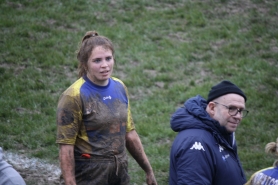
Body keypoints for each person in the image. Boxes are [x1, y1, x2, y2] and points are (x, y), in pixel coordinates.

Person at [56, 30, 157, 185]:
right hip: (89, 174)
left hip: (119, 171)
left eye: (108, 58)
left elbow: (129, 134)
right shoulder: (73, 96)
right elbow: (66, 148)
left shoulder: (120, 87)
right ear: (85, 64)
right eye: (97, 60)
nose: (104, 65)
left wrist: (148, 170)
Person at [169, 80, 248, 185]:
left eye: (240, 110)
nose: (238, 116)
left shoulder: (223, 133)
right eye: (231, 108)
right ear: (212, 108)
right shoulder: (196, 144)